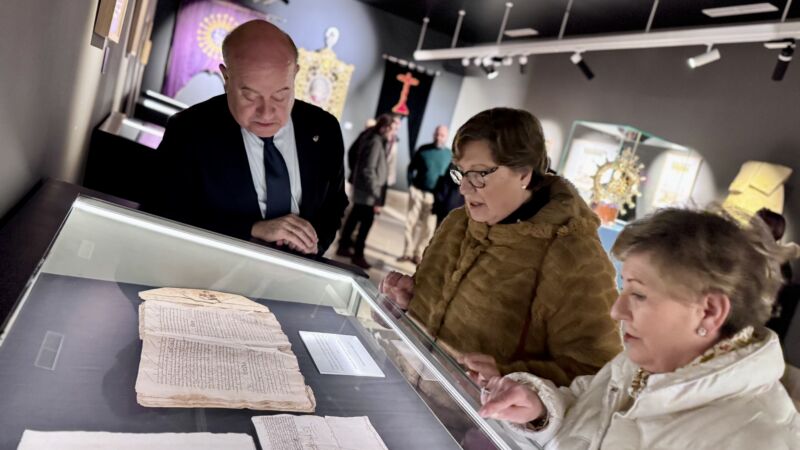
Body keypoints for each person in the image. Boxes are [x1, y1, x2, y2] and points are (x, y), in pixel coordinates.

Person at [479, 208, 800, 449]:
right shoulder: (642, 363)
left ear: (710, 312)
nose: (617, 311)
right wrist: (538, 412)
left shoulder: (760, 439)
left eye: (639, 294)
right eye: (624, 288)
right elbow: (587, 419)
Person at [380, 108, 621, 387]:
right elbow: (435, 317)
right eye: (461, 174)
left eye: (480, 174)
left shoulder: (573, 253)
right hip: (400, 384)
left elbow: (595, 373)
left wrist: (512, 377)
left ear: (523, 174)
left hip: (471, 425)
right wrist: (407, 306)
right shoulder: (458, 223)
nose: (464, 189)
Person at [147, 20, 348, 255]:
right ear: (226, 77)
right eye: (250, 95)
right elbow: (161, 212)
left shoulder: (325, 129)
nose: (266, 112)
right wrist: (252, 229)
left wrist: (314, 244)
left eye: (280, 95)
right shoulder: (189, 131)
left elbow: (334, 204)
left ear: (295, 74)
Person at [337, 114, 400, 269]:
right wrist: (375, 193)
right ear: (384, 127)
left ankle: (344, 246)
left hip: (366, 192)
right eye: (391, 129)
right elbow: (368, 170)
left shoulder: (375, 139)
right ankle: (358, 255)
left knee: (354, 218)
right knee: (365, 224)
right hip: (368, 194)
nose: (392, 133)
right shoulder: (375, 142)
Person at [399, 125, 452, 264]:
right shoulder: (424, 149)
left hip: (434, 197)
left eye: (441, 135)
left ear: (446, 137)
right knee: (410, 223)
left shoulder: (449, 155)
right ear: (433, 134)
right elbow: (411, 168)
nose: (438, 137)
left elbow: (449, 178)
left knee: (428, 227)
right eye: (436, 134)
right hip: (417, 192)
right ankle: (407, 252)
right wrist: (410, 185)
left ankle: (418, 253)